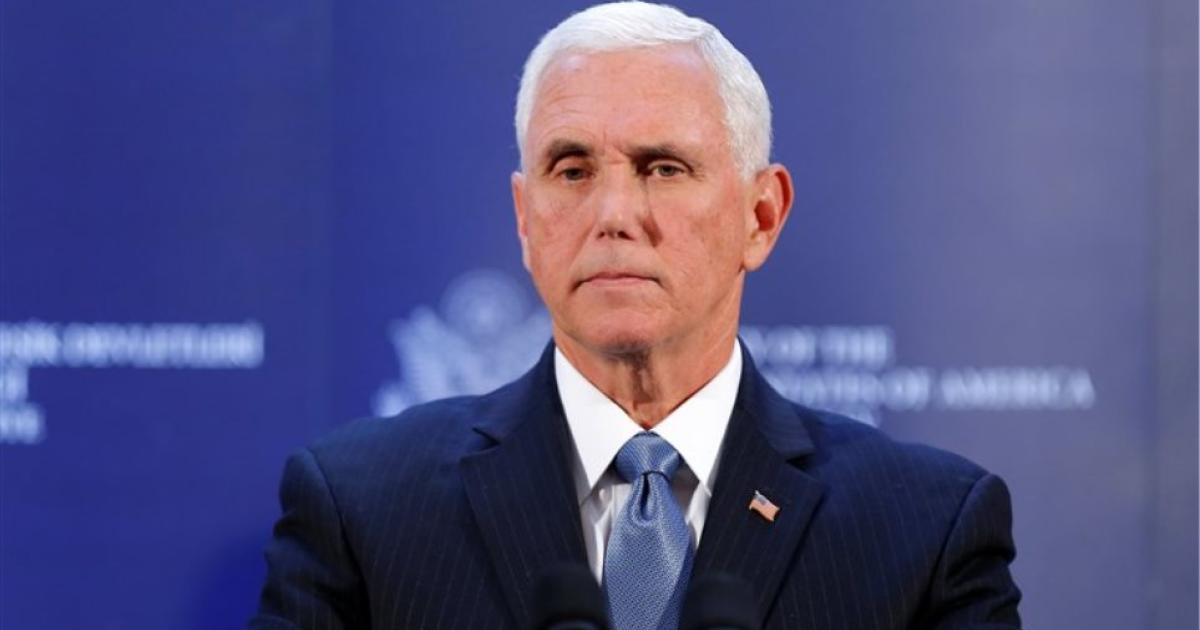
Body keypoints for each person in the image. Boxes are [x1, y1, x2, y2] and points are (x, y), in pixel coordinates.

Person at [250, 3, 1021, 629]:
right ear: (525, 220)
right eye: (572, 170)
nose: (614, 214)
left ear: (760, 215)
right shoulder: (364, 511)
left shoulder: (923, 531)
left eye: (664, 168)